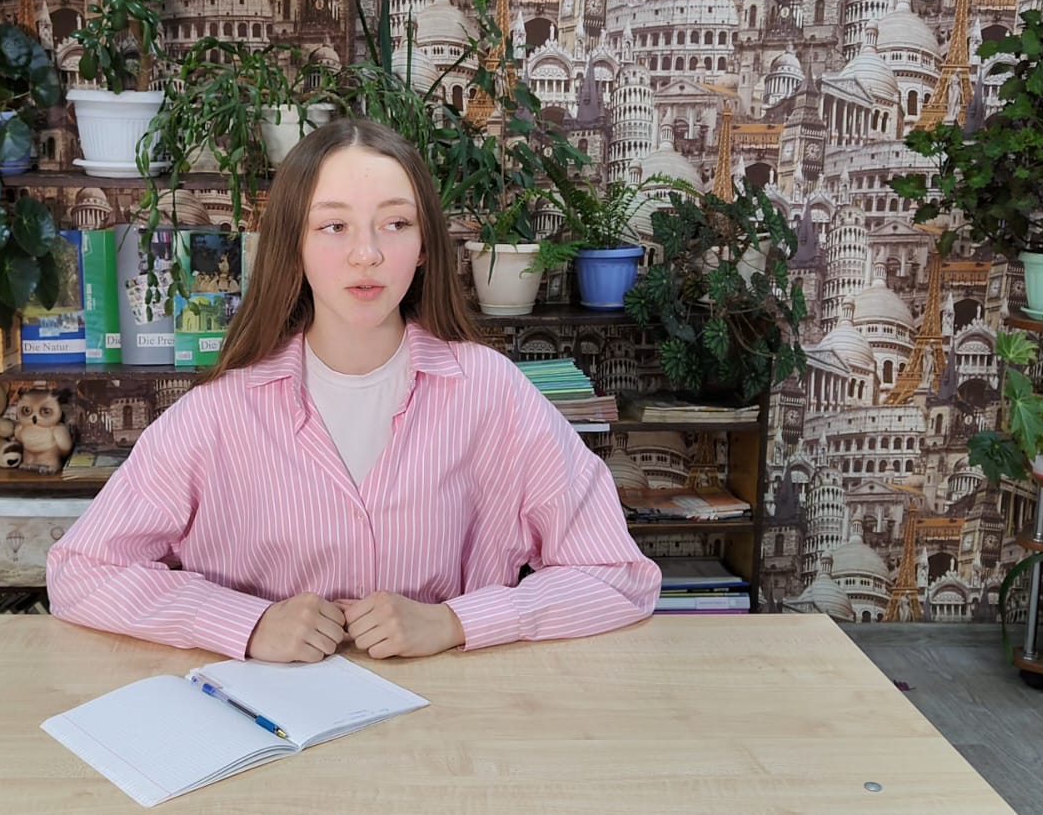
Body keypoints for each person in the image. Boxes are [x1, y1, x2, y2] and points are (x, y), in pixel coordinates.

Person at [46, 119, 661, 663]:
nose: (366, 255)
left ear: (424, 247)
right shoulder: (218, 412)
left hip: (449, 721)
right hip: (269, 723)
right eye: (334, 226)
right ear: (294, 244)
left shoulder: (491, 393)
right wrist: (247, 623)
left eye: (395, 224)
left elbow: (617, 575)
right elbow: (81, 571)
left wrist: (456, 622)